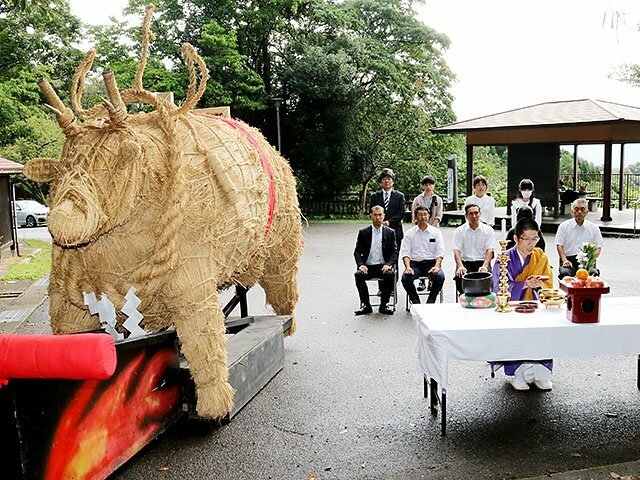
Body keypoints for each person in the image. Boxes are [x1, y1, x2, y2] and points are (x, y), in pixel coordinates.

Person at [491, 218, 554, 391]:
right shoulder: (504, 259)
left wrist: (540, 285)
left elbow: (549, 283)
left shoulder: (539, 256)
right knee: (517, 337)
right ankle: (516, 374)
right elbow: (499, 288)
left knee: (540, 335)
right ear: (516, 239)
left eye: (535, 239)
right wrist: (524, 284)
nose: (531, 244)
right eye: (527, 239)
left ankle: (542, 373)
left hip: (535, 305)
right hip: (513, 308)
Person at [353, 205, 398, 315]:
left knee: (390, 274)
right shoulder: (364, 232)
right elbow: (357, 251)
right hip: (368, 266)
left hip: (383, 265)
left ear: (384, 216)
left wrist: (388, 264)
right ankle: (366, 305)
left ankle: (384, 305)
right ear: (370, 216)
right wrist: (361, 265)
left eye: (380, 215)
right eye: (375, 215)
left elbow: (394, 252)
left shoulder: (390, 232)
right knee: (358, 275)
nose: (378, 218)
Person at [400, 206, 445, 305]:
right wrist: (407, 267)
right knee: (405, 278)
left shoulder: (436, 232)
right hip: (415, 264)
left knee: (440, 276)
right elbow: (406, 253)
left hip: (431, 263)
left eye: (425, 214)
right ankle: (416, 303)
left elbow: (440, 252)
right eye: (420, 215)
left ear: (429, 216)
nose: (423, 217)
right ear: (415, 217)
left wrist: (437, 266)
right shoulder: (409, 233)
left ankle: (430, 303)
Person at [452, 204, 497, 297]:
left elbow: (489, 250)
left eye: (476, 213)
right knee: (461, 277)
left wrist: (485, 266)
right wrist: (460, 266)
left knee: (487, 279)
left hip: (482, 262)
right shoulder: (459, 231)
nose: (474, 216)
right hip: (465, 263)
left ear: (480, 214)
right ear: (466, 216)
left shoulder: (488, 230)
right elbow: (457, 250)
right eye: (471, 214)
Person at [555, 198, 603, 279]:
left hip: (587, 260)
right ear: (572, 211)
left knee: (592, 274)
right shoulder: (564, 226)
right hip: (569, 259)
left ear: (587, 212)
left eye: (582, 209)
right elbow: (559, 245)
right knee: (564, 274)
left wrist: (590, 261)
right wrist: (564, 260)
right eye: (576, 209)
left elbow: (598, 247)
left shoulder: (594, 228)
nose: (579, 212)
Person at [369, 168, 405, 252]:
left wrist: (389, 222)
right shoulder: (375, 196)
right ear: (381, 182)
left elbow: (401, 212)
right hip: (378, 230)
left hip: (395, 230)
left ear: (393, 182)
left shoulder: (399, 196)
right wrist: (380, 222)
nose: (386, 181)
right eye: (384, 179)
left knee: (394, 256)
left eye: (389, 179)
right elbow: (371, 212)